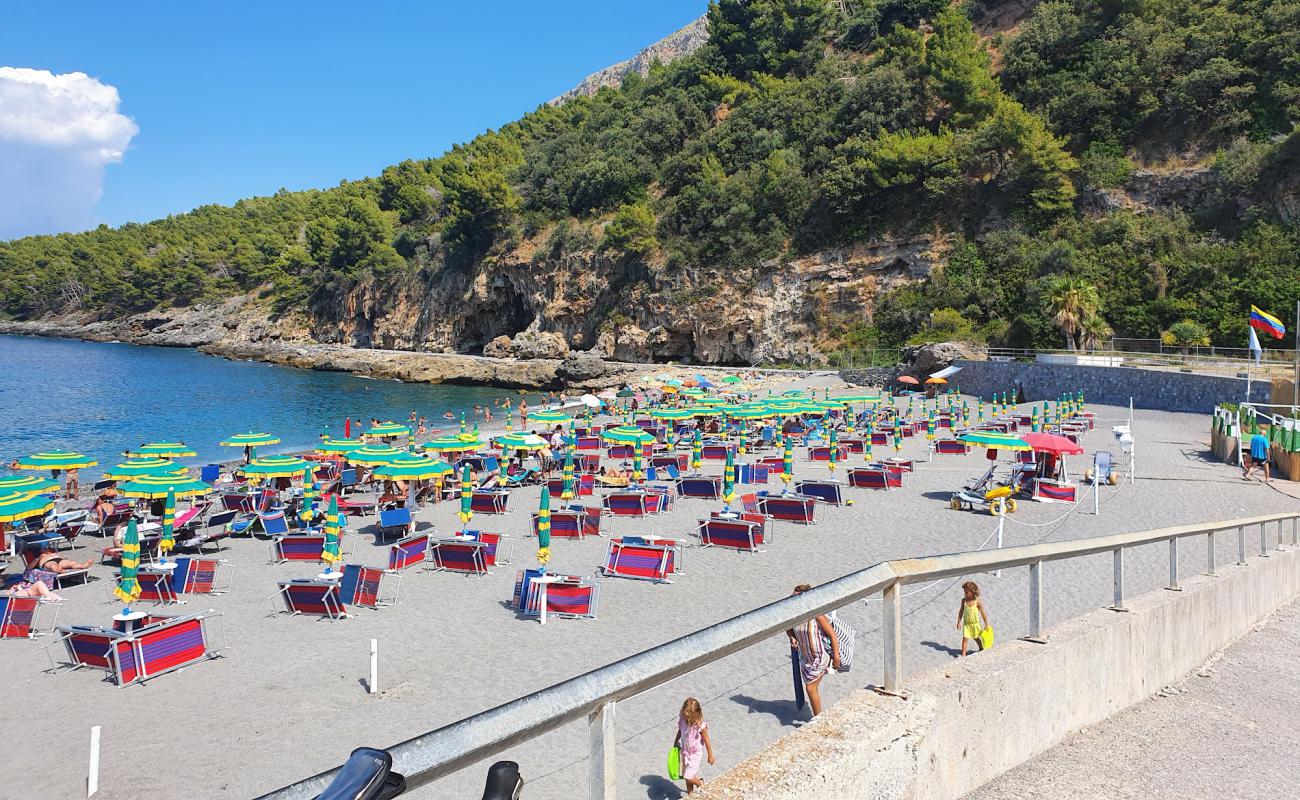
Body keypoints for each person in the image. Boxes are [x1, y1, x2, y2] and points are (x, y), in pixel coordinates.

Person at [786, 583, 841, 717]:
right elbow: (788, 629)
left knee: (810, 688)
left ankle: (818, 719)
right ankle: (817, 716)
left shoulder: (816, 614)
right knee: (812, 688)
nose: (794, 601)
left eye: (797, 597)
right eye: (792, 597)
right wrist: (792, 637)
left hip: (820, 656)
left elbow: (831, 634)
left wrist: (836, 655)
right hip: (805, 658)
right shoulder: (792, 616)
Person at [673, 697, 715, 794]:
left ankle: (700, 783)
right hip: (685, 751)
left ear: (696, 714)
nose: (687, 719)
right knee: (686, 776)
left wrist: (710, 755)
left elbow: (707, 739)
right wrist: (675, 740)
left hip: (695, 754)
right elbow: (680, 729)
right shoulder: (683, 719)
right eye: (685, 715)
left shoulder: (700, 725)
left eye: (689, 717)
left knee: (688, 776)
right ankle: (690, 794)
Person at [957, 580, 990, 656]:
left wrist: (986, 623)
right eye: (964, 592)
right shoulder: (963, 601)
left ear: (973, 592)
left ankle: (981, 648)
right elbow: (961, 612)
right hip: (966, 624)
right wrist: (958, 622)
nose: (965, 594)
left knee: (976, 637)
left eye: (967, 592)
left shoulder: (977, 602)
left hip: (975, 624)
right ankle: (963, 655)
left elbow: (983, 613)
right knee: (965, 639)